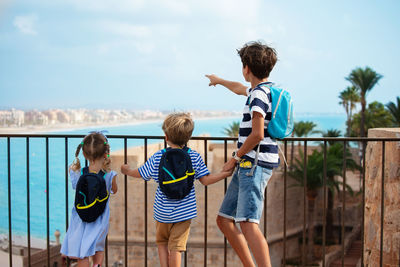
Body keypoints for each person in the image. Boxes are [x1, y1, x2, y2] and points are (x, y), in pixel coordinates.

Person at [121, 112, 232, 267]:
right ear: (188, 137)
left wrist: (127, 170)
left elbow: (141, 173)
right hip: (184, 213)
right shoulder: (193, 156)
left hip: (162, 212)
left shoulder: (158, 156)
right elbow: (206, 180)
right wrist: (224, 174)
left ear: (166, 137)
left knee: (162, 243)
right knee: (177, 248)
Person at [205, 41, 280, 267]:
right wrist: (219, 81)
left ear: (247, 67)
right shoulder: (264, 90)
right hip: (249, 166)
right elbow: (239, 87)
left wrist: (234, 158)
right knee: (225, 220)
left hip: (253, 165)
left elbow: (256, 134)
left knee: (248, 223)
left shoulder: (259, 96)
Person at [61, 132, 118, 267]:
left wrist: (72, 170)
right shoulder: (110, 175)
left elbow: (75, 185)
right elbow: (114, 190)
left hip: (80, 217)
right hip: (100, 218)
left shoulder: (79, 173)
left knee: (83, 253)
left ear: (84, 154)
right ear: (105, 153)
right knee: (98, 247)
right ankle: (97, 265)